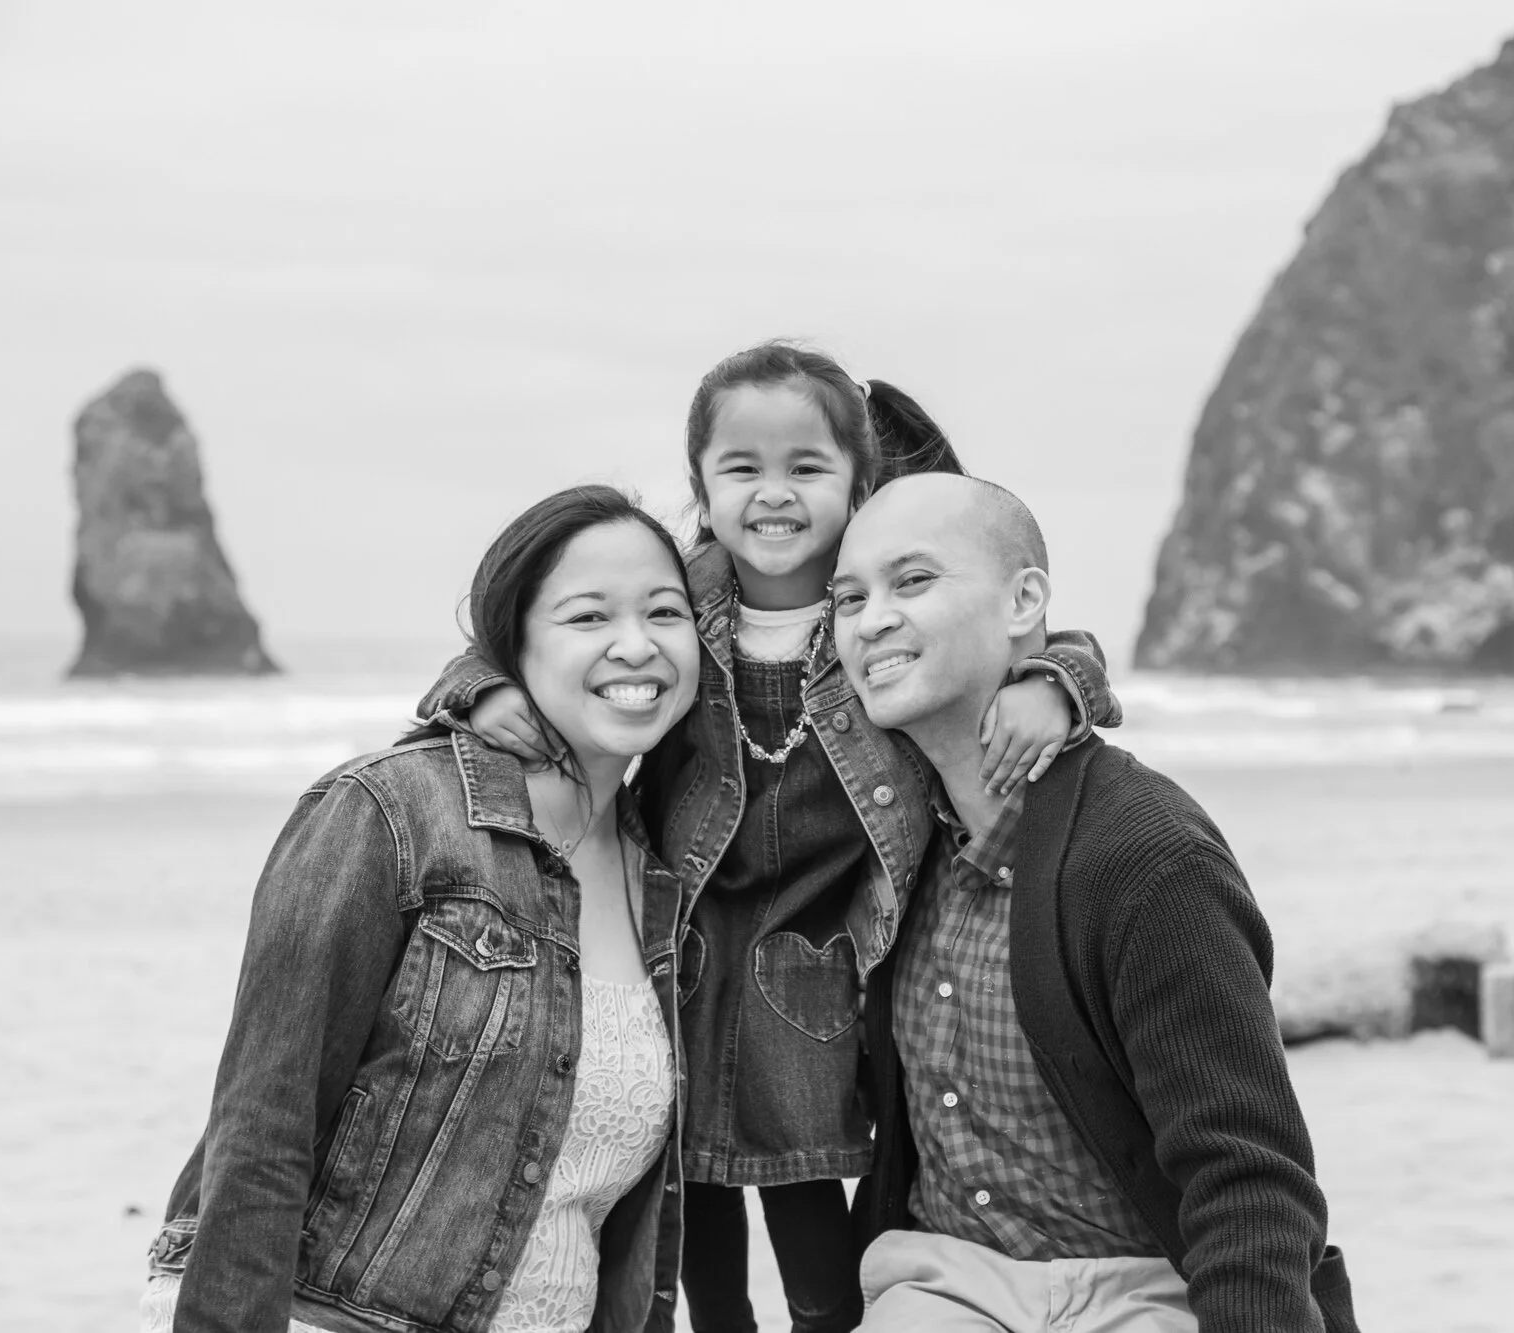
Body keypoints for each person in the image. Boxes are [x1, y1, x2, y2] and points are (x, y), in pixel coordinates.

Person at [414, 341, 1120, 1332]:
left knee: (808, 1192)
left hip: (821, 943)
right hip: (687, 935)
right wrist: (487, 694)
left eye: (807, 468)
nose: (774, 494)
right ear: (699, 482)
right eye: (742, 468)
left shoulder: (871, 601)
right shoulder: (673, 597)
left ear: (860, 483)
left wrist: (1055, 688)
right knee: (688, 1185)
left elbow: (1029, 624)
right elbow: (503, 641)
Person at [140, 485, 704, 1333]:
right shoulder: (390, 813)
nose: (637, 645)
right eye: (587, 617)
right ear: (510, 648)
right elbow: (262, 1132)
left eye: (665, 611)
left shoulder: (662, 881)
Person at [832, 473, 1361, 1333]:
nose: (871, 619)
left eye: (914, 581)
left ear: (1024, 600)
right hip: (946, 1283)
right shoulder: (884, 840)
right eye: (849, 598)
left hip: (1148, 1288)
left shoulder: (1146, 857)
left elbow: (1248, 1176)